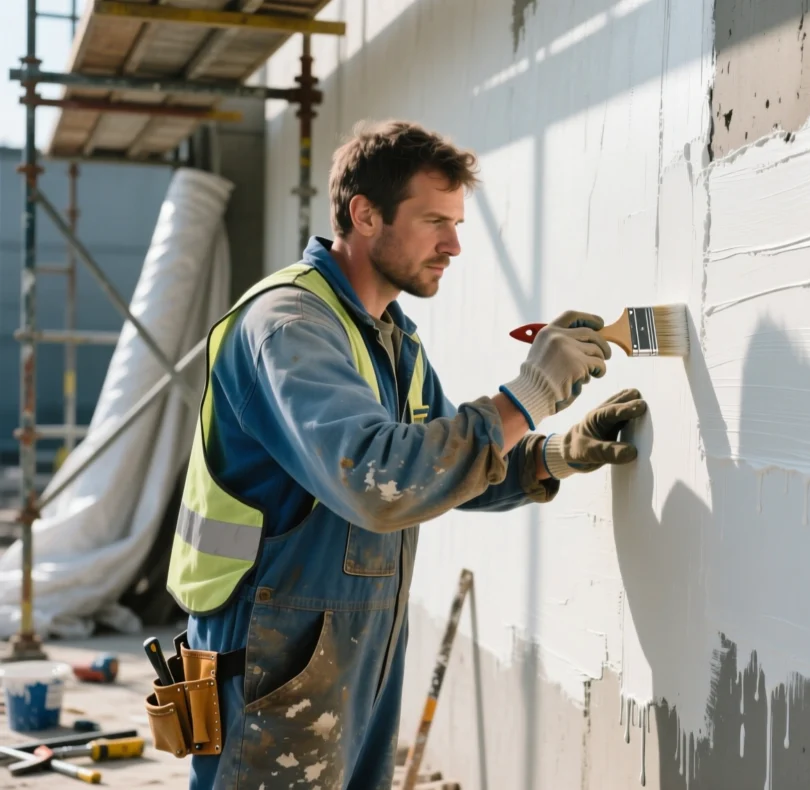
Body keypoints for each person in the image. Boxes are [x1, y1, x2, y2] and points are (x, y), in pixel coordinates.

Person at [165, 120, 647, 789]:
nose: (453, 245)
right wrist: (529, 392)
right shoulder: (289, 326)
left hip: (351, 650)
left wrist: (552, 453)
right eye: (432, 222)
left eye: (455, 222)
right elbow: (377, 481)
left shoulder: (392, 340)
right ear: (364, 214)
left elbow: (436, 468)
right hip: (271, 653)